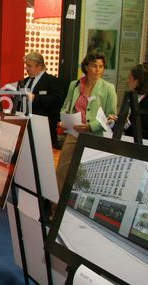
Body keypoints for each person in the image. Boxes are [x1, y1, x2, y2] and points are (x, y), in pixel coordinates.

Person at [56, 53, 117, 195]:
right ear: (86, 67)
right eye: (94, 66)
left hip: (94, 135)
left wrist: (91, 126)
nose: (98, 70)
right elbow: (66, 106)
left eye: (101, 67)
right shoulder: (75, 84)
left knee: (85, 175)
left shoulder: (108, 88)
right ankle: (55, 208)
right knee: (62, 170)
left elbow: (111, 117)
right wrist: (64, 119)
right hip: (74, 132)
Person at [22, 51, 64, 148]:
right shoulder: (25, 81)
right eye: (26, 65)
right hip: (26, 127)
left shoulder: (52, 81)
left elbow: (57, 100)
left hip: (44, 128)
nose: (26, 69)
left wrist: (35, 98)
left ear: (39, 66)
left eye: (29, 66)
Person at [123, 64, 148, 141]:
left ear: (137, 81)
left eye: (129, 78)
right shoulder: (135, 100)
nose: (127, 81)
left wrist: (127, 125)